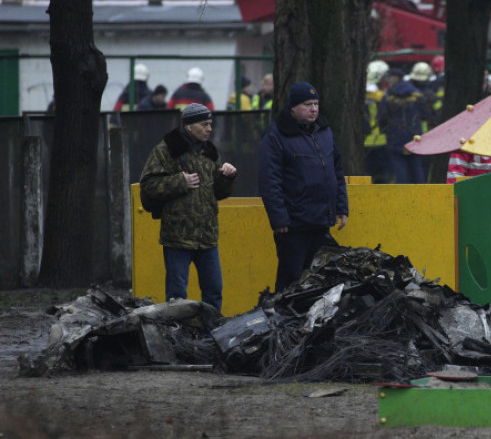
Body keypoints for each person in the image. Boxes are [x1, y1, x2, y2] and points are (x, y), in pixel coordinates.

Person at [139, 103, 237, 312]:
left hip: (207, 237)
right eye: (204, 124)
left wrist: (227, 178)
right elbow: (148, 185)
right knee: (177, 297)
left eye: (210, 124)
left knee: (214, 292)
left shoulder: (210, 152)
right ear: (189, 126)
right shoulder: (166, 149)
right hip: (178, 237)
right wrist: (179, 182)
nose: (209, 129)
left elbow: (218, 193)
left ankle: (211, 335)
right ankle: (178, 337)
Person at [259, 82, 349, 292]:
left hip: (320, 220)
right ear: (293, 108)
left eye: (316, 104)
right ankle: (283, 321)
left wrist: (341, 207)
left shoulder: (324, 131)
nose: (314, 109)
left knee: (319, 279)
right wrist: (279, 218)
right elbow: (269, 181)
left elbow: (337, 171)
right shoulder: (275, 137)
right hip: (294, 225)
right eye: (307, 104)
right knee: (291, 280)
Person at [378, 68, 433, 184]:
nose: (388, 81)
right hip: (415, 138)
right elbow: (426, 114)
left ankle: (403, 197)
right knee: (417, 167)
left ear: (395, 78)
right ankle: (421, 194)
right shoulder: (417, 95)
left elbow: (381, 118)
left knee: (400, 170)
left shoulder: (388, 97)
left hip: (395, 138)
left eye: (390, 78)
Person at [364, 60, 391, 184]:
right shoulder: (381, 96)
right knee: (382, 177)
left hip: (364, 141)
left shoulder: (361, 94)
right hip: (381, 140)